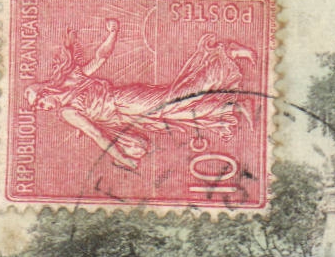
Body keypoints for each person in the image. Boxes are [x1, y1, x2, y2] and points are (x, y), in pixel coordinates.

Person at [26, 18, 256, 170]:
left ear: (45, 91)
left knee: (174, 103)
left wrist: (112, 34)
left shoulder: (69, 102)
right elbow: (99, 133)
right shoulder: (68, 102)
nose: (43, 107)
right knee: (175, 113)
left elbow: (98, 134)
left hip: (125, 101)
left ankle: (227, 55)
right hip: (128, 115)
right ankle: (230, 107)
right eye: (39, 108)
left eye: (40, 102)